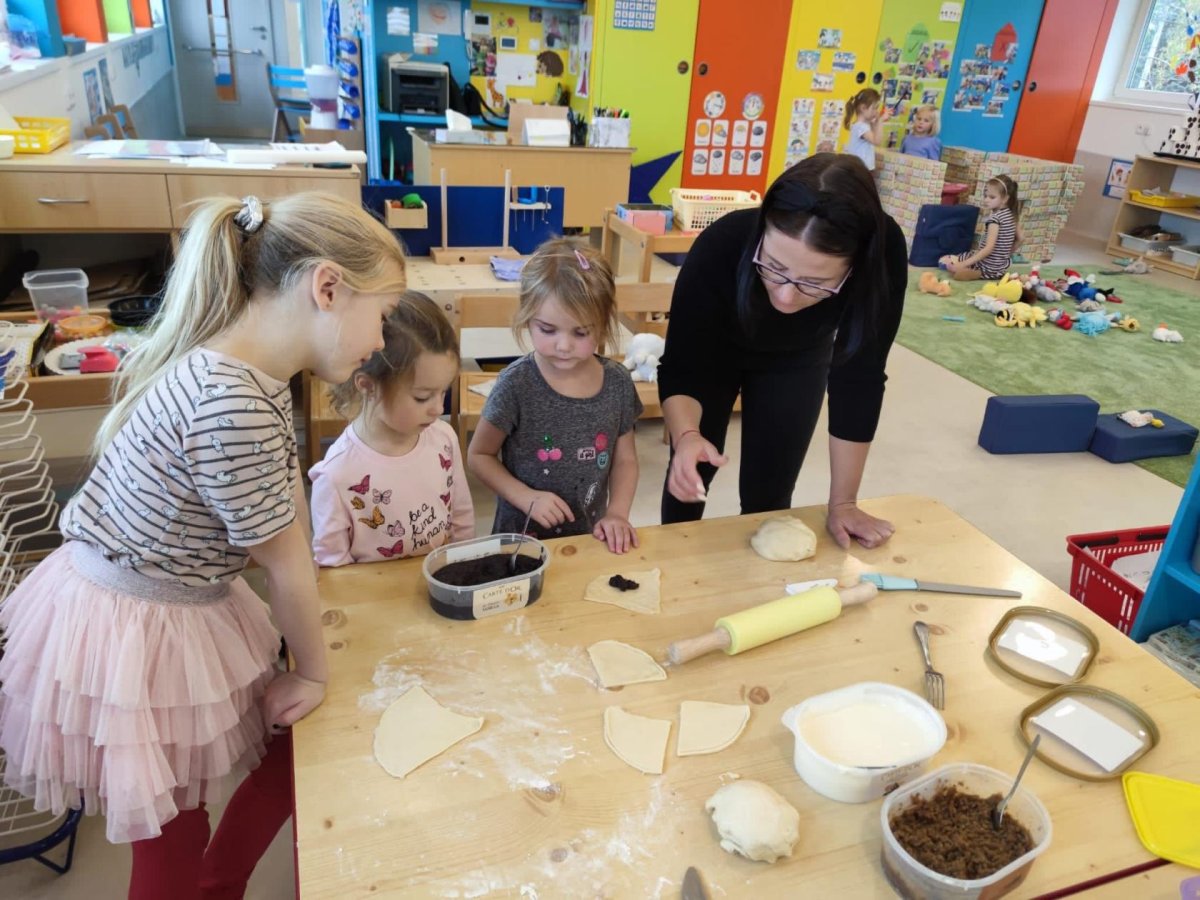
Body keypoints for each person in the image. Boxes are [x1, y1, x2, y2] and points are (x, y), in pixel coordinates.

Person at [0, 193, 406, 899]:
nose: (382, 338)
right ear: (328, 288)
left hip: (152, 600)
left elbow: (280, 511)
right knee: (170, 842)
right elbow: (283, 563)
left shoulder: (250, 367)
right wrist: (312, 674)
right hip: (135, 633)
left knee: (210, 806)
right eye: (384, 313)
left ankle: (219, 884)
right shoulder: (233, 401)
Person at [657, 153, 906, 550]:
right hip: (715, 352)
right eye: (773, 267)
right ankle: (673, 556)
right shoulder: (722, 243)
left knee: (770, 493)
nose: (787, 297)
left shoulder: (882, 252)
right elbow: (681, 366)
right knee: (691, 473)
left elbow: (860, 376)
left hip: (798, 356)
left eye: (815, 283)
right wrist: (686, 436)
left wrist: (844, 503)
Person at [467, 238, 642, 554]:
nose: (563, 346)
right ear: (527, 317)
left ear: (602, 326)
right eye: (548, 330)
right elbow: (479, 456)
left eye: (580, 332)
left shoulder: (617, 383)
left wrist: (617, 513)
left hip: (588, 539)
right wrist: (525, 497)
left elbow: (626, 459)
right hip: (519, 544)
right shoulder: (516, 384)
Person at [309, 291, 473, 565]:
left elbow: (461, 517)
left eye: (443, 392)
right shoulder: (336, 475)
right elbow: (333, 566)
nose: (438, 409)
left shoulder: (444, 438)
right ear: (368, 386)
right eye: (422, 397)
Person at [940, 175, 1023, 281]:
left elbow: (988, 249)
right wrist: (1005, 255)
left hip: (986, 265)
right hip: (999, 267)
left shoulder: (995, 220)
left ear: (1005, 199)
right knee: (964, 256)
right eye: (985, 196)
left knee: (944, 260)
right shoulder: (1012, 215)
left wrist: (963, 264)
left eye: (992, 197)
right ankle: (980, 272)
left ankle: (975, 272)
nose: (986, 200)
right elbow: (1021, 239)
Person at [843, 88, 890, 172]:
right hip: (860, 170)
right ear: (863, 108)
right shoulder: (861, 127)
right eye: (874, 108)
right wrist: (880, 121)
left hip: (861, 168)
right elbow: (877, 141)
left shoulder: (862, 125)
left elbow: (874, 134)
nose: (876, 112)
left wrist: (877, 121)